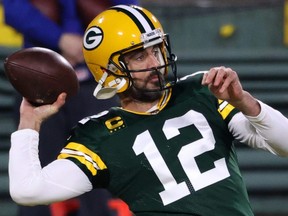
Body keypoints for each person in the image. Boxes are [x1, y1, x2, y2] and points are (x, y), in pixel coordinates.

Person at [8, 4, 288, 216]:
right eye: (139, 56)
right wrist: (29, 122)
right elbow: (28, 191)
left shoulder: (202, 92)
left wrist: (246, 103)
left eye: (156, 49)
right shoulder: (97, 136)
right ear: (109, 70)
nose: (155, 62)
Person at [3, 0, 138, 216]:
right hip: (39, 79)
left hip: (97, 77)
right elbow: (14, 10)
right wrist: (59, 39)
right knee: (33, 175)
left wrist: (92, 44)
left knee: (100, 174)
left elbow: (128, 10)